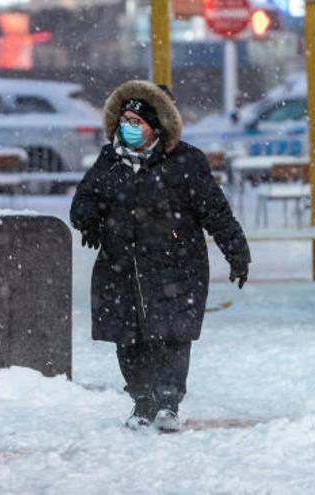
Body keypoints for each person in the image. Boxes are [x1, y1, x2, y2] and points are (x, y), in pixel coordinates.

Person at [70, 80, 250, 432]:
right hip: (121, 268)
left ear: (155, 126)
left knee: (172, 335)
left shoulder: (186, 162)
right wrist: (89, 220)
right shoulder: (109, 161)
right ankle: (142, 400)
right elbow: (83, 202)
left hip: (176, 268)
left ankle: (168, 401)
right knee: (128, 338)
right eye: (125, 121)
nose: (129, 128)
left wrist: (236, 251)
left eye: (137, 122)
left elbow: (216, 212)